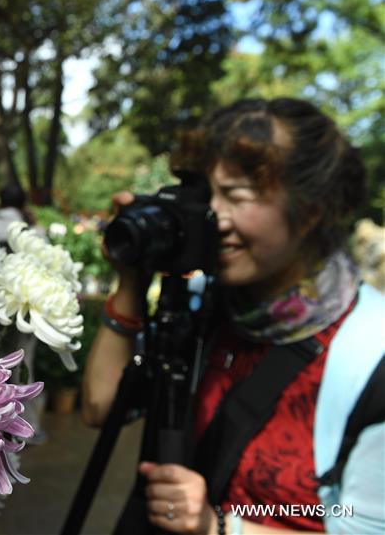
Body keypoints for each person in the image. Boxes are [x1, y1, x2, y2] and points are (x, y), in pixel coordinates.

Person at [80, 98, 384, 534]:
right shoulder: (204, 303)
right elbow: (100, 408)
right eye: (207, 194)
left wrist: (220, 528)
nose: (214, 217)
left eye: (237, 195)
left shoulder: (372, 351)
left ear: (312, 210)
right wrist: (131, 281)